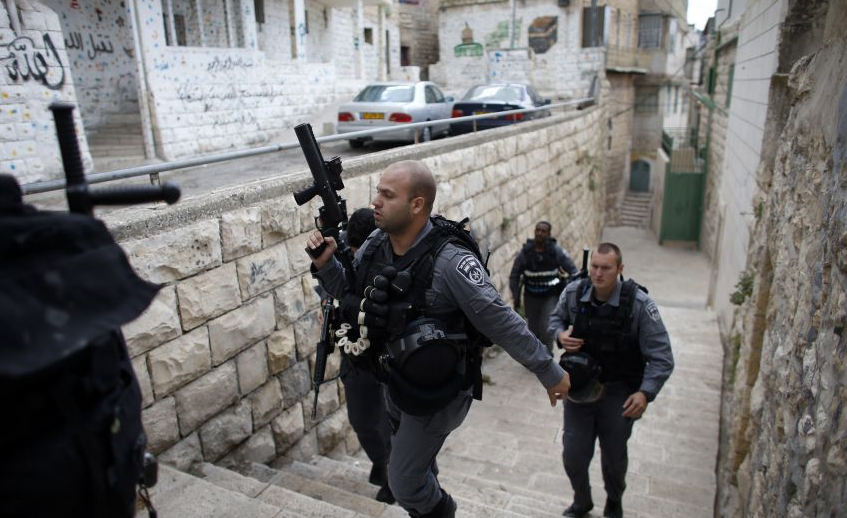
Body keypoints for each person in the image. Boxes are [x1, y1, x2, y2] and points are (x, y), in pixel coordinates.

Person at [306, 160, 571, 518]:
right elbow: (351, 296)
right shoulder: (375, 243)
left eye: (387, 195)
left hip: (438, 390)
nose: (375, 202)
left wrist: (548, 371)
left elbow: (501, 321)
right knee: (416, 466)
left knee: (402, 481)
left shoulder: (451, 263)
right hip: (395, 378)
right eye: (378, 192)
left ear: (417, 205)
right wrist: (326, 263)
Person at [547, 243, 674, 518]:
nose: (598, 273)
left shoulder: (639, 304)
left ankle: (614, 500)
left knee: (614, 457)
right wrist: (559, 335)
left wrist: (645, 393)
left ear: (619, 269)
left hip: (618, 393)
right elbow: (555, 319)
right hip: (580, 390)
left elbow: (662, 356)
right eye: (594, 266)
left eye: (606, 268)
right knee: (573, 454)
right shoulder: (574, 293)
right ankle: (582, 500)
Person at [334, 208, 394, 503]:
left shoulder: (391, 259)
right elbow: (331, 287)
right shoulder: (346, 258)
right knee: (362, 421)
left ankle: (398, 476)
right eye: (354, 250)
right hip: (356, 354)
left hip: (389, 354)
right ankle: (383, 462)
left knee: (395, 421)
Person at [509, 221, 579, 353]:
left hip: (550, 296)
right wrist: (516, 296)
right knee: (533, 330)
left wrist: (569, 292)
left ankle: (547, 357)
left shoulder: (556, 251)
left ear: (549, 234)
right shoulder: (525, 253)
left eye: (543, 231)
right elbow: (514, 275)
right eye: (538, 230)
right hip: (531, 297)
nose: (540, 233)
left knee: (546, 328)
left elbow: (574, 271)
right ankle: (535, 357)